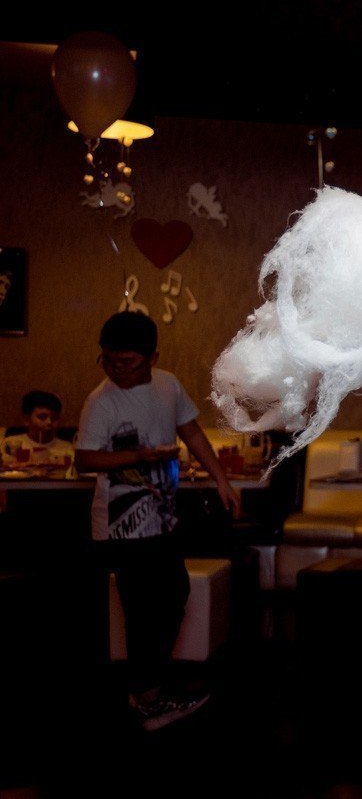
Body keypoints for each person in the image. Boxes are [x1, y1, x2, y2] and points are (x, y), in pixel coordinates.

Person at [74, 311, 242, 731]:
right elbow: (84, 459)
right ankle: (148, 698)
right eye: (108, 360)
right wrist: (139, 456)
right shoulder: (101, 400)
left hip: (163, 517)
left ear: (152, 357)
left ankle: (149, 687)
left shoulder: (168, 385)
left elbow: (193, 432)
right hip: (120, 525)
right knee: (143, 607)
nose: (116, 370)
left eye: (127, 362)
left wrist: (221, 479)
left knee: (173, 595)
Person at [2, 390, 75, 467]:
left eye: (54, 418)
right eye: (42, 417)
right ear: (26, 419)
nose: (49, 422)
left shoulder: (67, 448)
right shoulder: (11, 443)